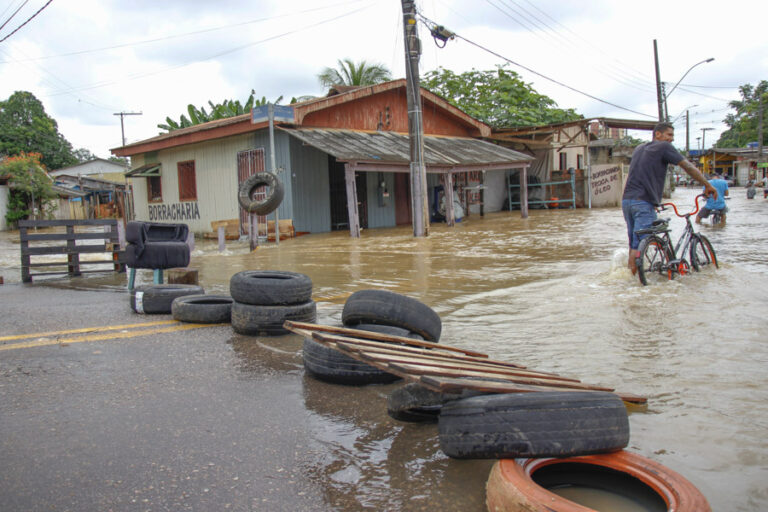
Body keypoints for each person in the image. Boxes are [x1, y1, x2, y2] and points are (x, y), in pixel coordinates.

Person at [622, 122, 717, 274]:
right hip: (643, 202)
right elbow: (688, 167)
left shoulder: (639, 148)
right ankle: (634, 282)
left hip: (627, 201)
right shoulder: (664, 147)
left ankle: (631, 274)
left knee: (634, 243)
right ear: (657, 134)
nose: (671, 139)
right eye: (669, 135)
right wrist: (707, 185)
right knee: (639, 243)